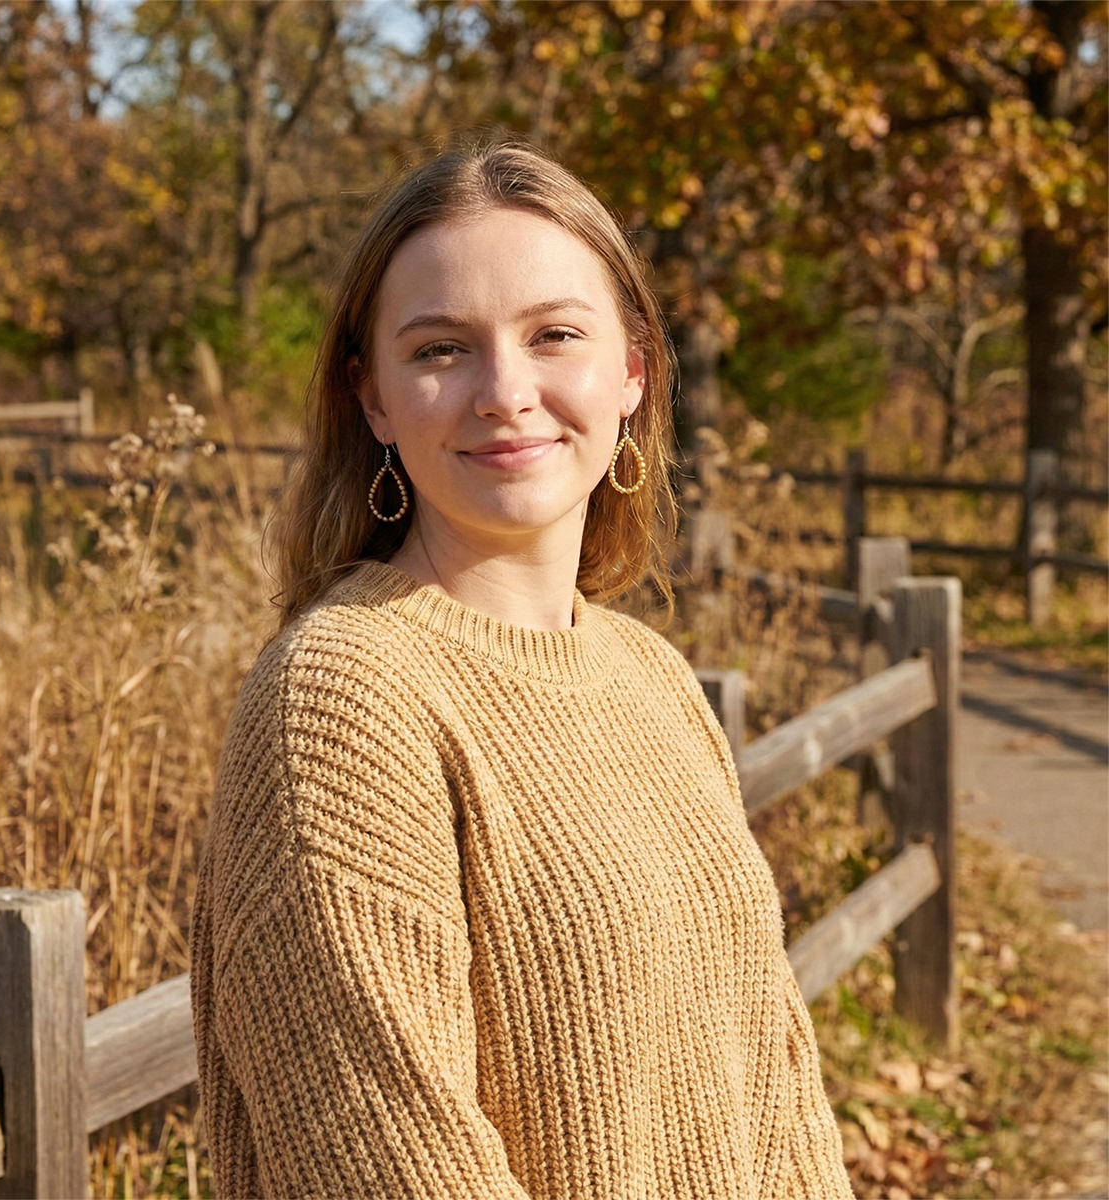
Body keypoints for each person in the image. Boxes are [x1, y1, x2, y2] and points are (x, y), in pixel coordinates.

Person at [190, 142, 852, 1199]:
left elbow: (776, 1088)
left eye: (555, 336)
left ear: (631, 370)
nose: (506, 392)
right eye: (442, 350)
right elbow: (388, 1168)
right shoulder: (342, 700)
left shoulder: (652, 677)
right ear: (373, 401)